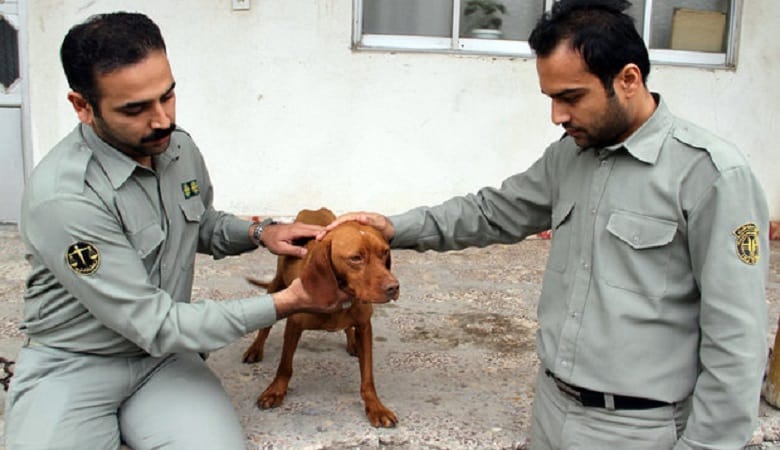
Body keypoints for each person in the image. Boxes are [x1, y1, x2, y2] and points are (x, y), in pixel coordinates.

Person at [325, 1, 769, 448]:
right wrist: (392, 228)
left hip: (638, 429)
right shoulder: (569, 156)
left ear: (628, 80)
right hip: (551, 409)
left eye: (571, 97)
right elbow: (491, 212)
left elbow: (736, 341)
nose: (557, 115)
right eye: (552, 99)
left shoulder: (710, 175)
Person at [4, 12, 350, 450]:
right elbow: (157, 322)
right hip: (74, 363)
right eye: (135, 109)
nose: (162, 119)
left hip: (163, 361)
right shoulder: (65, 198)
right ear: (82, 106)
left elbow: (197, 222)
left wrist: (261, 232)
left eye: (167, 96)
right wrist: (288, 302)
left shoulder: (175, 146)